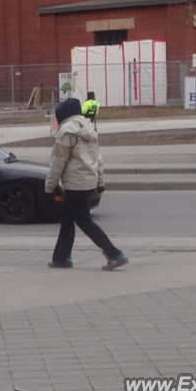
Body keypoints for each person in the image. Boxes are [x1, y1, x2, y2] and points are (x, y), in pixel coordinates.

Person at [45, 98, 128, 271]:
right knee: (67, 219)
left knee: (84, 222)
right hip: (87, 182)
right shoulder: (89, 128)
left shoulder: (67, 131)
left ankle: (115, 254)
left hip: (74, 184)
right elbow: (98, 159)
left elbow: (58, 161)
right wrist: (100, 184)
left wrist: (49, 185)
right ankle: (61, 257)